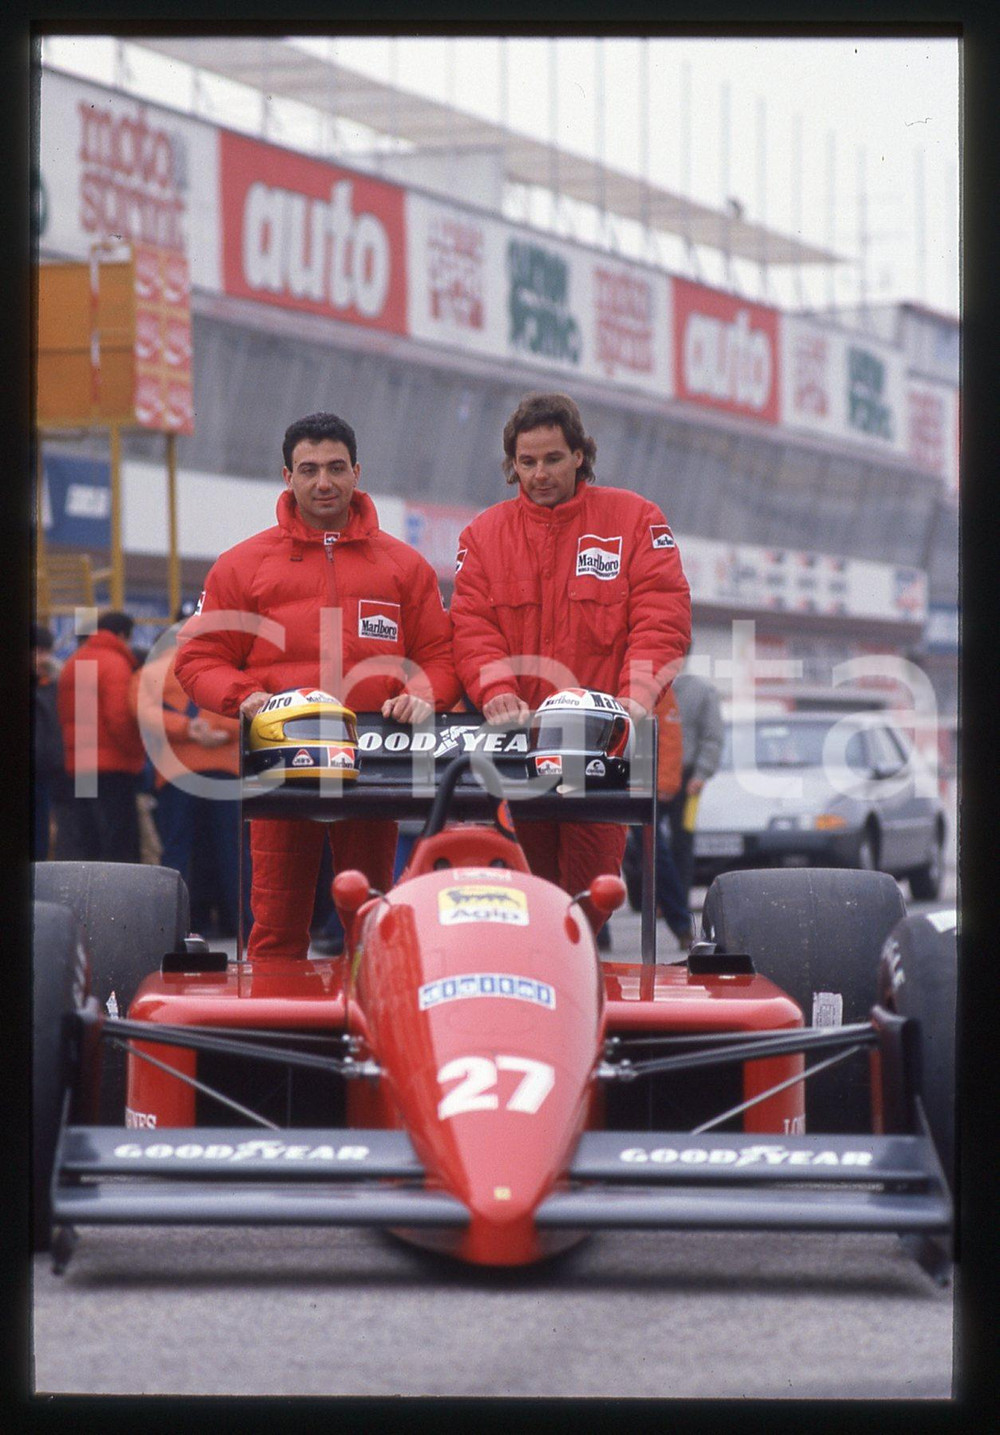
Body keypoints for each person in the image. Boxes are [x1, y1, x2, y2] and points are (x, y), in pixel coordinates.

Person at [174, 411, 460, 961]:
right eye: (308, 469)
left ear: (357, 471)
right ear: (287, 477)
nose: (322, 482)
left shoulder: (404, 566)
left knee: (370, 922)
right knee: (276, 928)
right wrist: (246, 697)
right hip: (280, 761)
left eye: (335, 468)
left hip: (374, 762)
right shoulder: (241, 565)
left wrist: (425, 694)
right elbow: (198, 656)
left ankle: (374, 1037)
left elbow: (440, 657)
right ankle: (276, 1037)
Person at [450, 391, 691, 934]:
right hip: (516, 749)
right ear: (512, 464)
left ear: (580, 454)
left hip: (601, 750)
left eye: (553, 459)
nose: (539, 474)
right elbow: (470, 629)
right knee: (522, 902)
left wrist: (635, 698)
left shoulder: (634, 519)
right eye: (527, 462)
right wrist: (495, 691)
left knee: (589, 901)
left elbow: (662, 619)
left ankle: (578, 994)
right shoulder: (484, 536)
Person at [131, 603, 247, 936]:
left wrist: (188, 729)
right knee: (233, 852)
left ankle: (174, 927)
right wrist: (215, 731)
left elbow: (140, 708)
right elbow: (250, 704)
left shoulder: (157, 666)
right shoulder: (230, 663)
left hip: (176, 774)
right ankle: (242, 926)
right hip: (225, 771)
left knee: (178, 850)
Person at [54, 610, 145, 863]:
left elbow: (69, 716)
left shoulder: (75, 661)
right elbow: (119, 720)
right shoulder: (115, 663)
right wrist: (136, 753)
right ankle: (116, 900)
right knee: (118, 842)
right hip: (113, 768)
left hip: (81, 764)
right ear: (121, 635)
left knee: (88, 838)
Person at [621, 682, 693, 950]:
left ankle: (682, 924)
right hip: (594, 777)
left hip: (640, 783)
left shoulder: (646, 678)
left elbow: (670, 735)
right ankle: (595, 930)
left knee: (654, 852)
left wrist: (664, 782)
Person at [665, 667, 724, 934]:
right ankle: (668, 898)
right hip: (650, 775)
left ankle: (678, 900)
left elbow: (712, 736)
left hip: (689, 779)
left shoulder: (701, 690)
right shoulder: (644, 683)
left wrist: (701, 773)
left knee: (683, 840)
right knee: (647, 842)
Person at [32, 623, 64, 860]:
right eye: (38, 651)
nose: (43, 658)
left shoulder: (52, 684)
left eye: (46, 651)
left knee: (41, 836)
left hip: (44, 772)